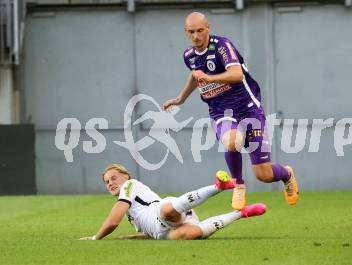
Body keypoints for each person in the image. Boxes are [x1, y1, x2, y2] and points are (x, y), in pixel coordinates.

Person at [162, 12, 299, 210]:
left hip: (249, 109)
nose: (196, 36)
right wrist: (180, 99)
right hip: (220, 111)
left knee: (263, 174)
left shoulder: (222, 46)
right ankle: (238, 184)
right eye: (191, 32)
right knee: (232, 141)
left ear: (208, 28)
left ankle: (286, 174)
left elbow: (236, 74)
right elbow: (195, 76)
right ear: (186, 32)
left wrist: (210, 78)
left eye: (200, 31)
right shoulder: (189, 55)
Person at [79, 164, 266, 240]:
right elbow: (149, 231)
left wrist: (96, 238)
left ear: (126, 176)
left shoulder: (129, 185)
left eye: (114, 178)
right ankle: (242, 213)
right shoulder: (131, 209)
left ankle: (219, 186)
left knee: (167, 211)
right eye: (107, 182)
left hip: (163, 212)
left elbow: (113, 221)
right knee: (192, 233)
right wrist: (132, 237)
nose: (110, 183)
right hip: (164, 232)